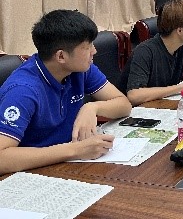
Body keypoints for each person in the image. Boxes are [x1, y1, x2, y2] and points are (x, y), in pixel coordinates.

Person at [0, 10, 132, 174]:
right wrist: (76, 150)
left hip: (69, 165)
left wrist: (92, 107)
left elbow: (124, 104)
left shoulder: (81, 69)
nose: (94, 51)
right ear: (61, 56)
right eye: (87, 47)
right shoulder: (23, 90)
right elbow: (2, 158)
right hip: (32, 172)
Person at [121, 0, 183, 106]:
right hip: (138, 111)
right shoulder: (145, 51)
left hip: (162, 104)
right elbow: (134, 95)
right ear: (180, 30)